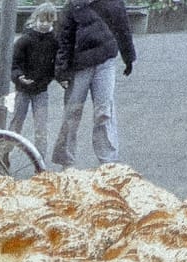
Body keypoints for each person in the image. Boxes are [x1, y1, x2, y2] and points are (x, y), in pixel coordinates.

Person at [52, 0, 134, 167]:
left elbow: (123, 28)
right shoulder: (72, 6)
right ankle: (66, 162)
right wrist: (62, 71)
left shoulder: (113, 3)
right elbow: (64, 39)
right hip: (78, 65)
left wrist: (129, 57)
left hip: (105, 61)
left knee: (104, 112)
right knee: (72, 113)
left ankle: (108, 162)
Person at [9, 5, 56, 148]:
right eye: (41, 21)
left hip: (41, 89)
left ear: (53, 21)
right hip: (23, 89)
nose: (44, 24)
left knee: (41, 127)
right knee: (16, 123)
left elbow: (58, 62)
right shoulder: (24, 40)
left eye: (48, 21)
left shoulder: (54, 40)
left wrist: (52, 77)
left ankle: (40, 161)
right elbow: (14, 63)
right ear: (35, 19)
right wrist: (18, 77)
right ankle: (5, 154)